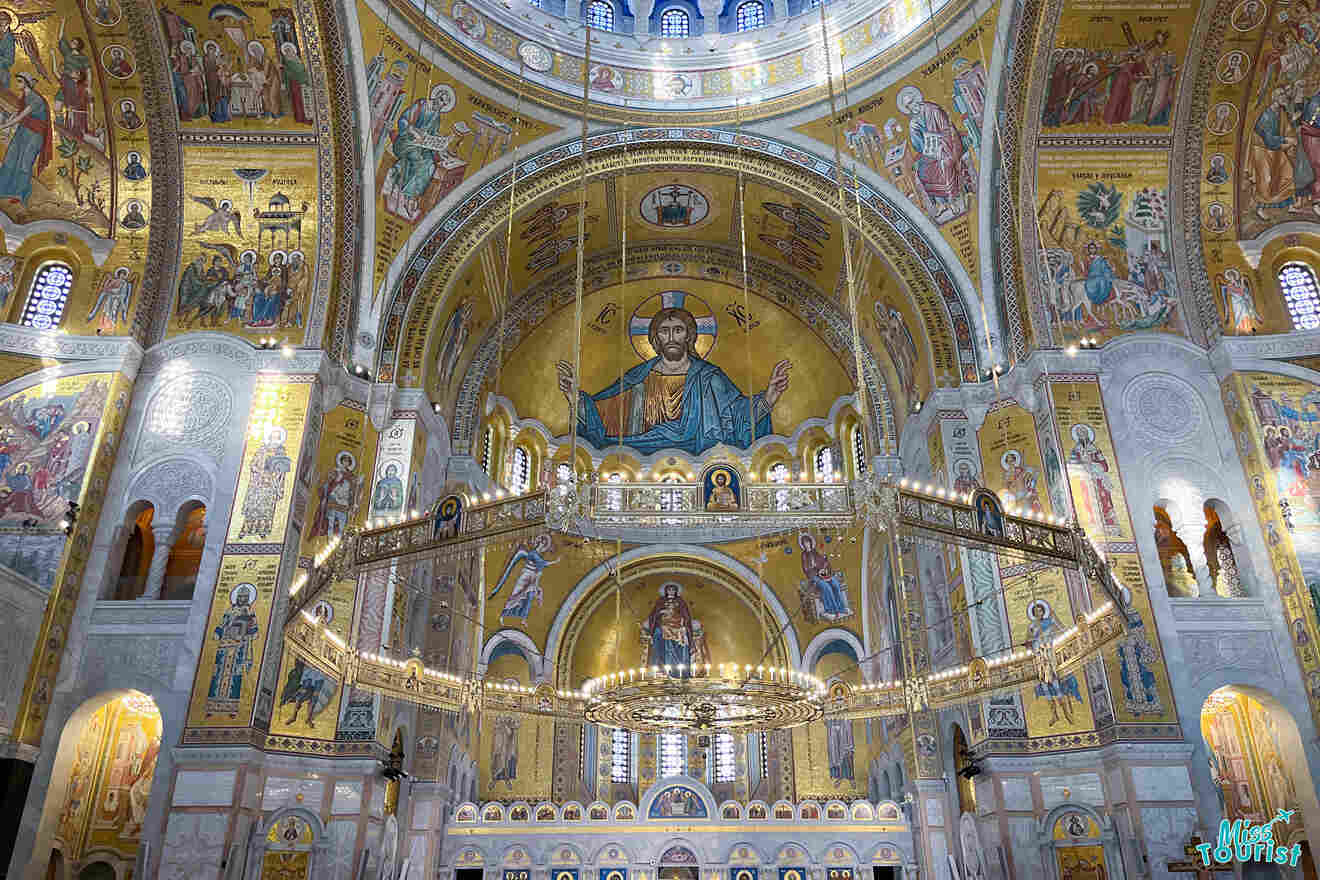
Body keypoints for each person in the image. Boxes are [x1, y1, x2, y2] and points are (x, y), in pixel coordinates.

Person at [558, 302, 791, 455]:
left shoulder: (708, 376)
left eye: (678, 330)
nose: (671, 337)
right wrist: (575, 398)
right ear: (655, 337)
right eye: (664, 331)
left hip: (703, 459)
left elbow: (739, 415)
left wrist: (769, 398)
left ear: (689, 335)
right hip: (638, 459)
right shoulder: (638, 378)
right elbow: (601, 414)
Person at [0, 74, 53, 204]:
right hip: (23, 131)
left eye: (19, 81)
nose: (17, 84)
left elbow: (22, 116)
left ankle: (19, 193)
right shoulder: (24, 97)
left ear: (26, 83)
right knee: (11, 157)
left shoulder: (36, 99)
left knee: (25, 161)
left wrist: (3, 126)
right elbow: (17, 114)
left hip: (35, 135)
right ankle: (3, 188)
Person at [488, 534, 557, 620]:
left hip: (531, 577)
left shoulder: (538, 555)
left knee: (529, 595)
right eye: (541, 542)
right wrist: (553, 562)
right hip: (525, 576)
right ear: (538, 542)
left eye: (544, 544)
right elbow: (541, 562)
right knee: (516, 594)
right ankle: (504, 614)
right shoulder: (533, 553)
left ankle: (522, 616)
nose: (542, 545)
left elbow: (540, 565)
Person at [641, 582, 694, 668]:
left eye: (673, 590)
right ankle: (662, 663)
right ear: (666, 591)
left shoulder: (680, 601)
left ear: (676, 591)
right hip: (664, 623)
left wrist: (681, 620)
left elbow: (686, 615)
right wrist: (661, 612)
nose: (671, 591)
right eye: (669, 590)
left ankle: (678, 665)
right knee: (660, 631)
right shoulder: (661, 601)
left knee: (682, 633)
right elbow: (653, 615)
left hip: (677, 623)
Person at [799, 532, 850, 618]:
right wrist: (814, 570)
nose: (807, 544)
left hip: (824, 574)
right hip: (814, 577)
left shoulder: (815, 552)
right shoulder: (804, 555)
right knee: (827, 588)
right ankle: (832, 610)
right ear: (803, 545)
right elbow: (806, 569)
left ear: (811, 542)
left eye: (808, 542)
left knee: (835, 584)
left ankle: (841, 608)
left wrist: (824, 562)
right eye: (805, 543)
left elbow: (823, 562)